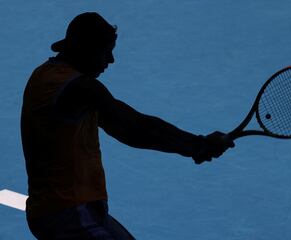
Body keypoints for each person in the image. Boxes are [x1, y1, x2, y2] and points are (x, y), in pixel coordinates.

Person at [21, 12, 234, 240]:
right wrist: (198, 145)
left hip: (59, 210)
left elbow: (123, 125)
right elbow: (135, 128)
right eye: (105, 51)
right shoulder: (80, 89)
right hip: (69, 214)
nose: (111, 60)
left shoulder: (45, 75)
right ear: (85, 49)